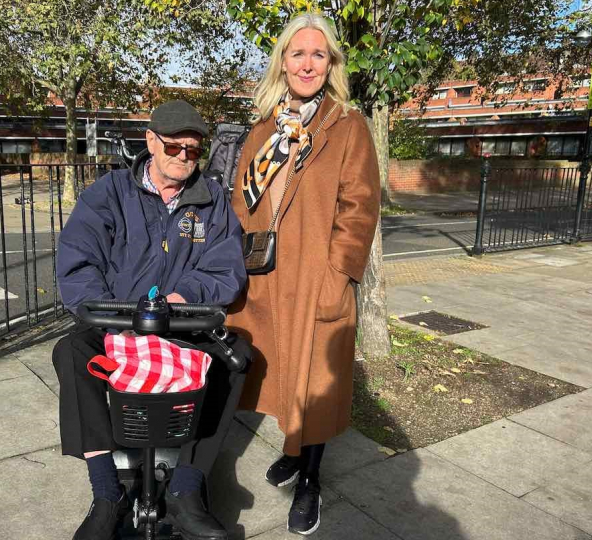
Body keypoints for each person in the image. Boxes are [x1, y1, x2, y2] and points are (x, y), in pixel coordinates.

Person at [53, 100, 249, 540]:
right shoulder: (108, 193)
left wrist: (184, 298)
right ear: (151, 141)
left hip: (181, 324)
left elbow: (226, 268)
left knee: (237, 357)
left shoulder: (212, 203)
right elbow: (79, 262)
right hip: (118, 324)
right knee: (71, 352)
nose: (183, 157)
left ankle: (185, 488)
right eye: (175, 147)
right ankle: (106, 492)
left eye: (193, 151)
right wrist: (114, 318)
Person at [226, 13, 381, 536]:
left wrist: (339, 275)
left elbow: (360, 209)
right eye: (298, 54)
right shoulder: (264, 128)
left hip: (318, 275)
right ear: (283, 63)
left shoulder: (347, 126)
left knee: (314, 380)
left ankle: (310, 477)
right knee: (280, 374)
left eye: (319, 54)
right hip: (266, 277)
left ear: (331, 63)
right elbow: (240, 204)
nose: (308, 63)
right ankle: (294, 453)